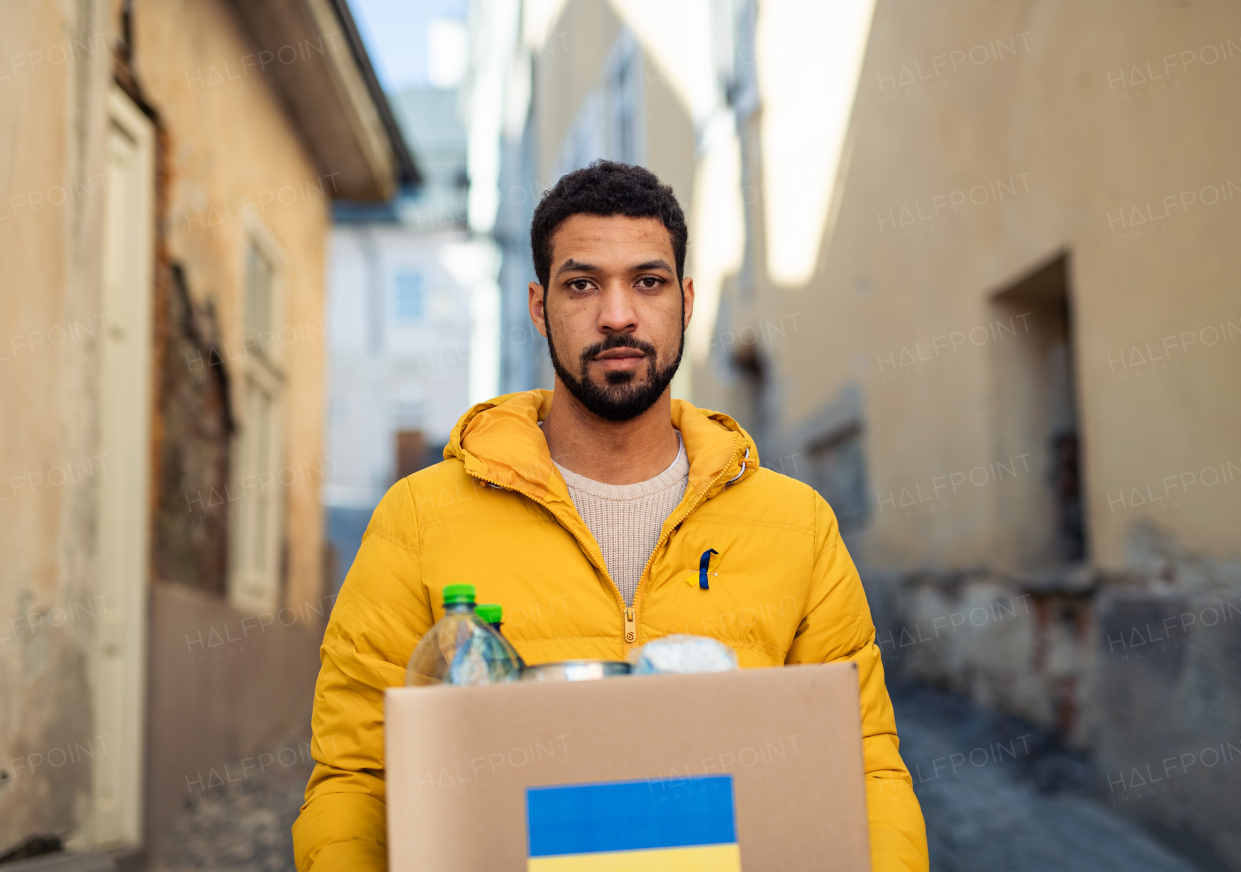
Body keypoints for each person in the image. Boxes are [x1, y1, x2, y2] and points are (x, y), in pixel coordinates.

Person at [292, 160, 928, 871]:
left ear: (686, 301)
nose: (617, 314)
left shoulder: (797, 525)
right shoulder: (419, 518)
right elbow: (359, 776)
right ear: (538, 307)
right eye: (583, 284)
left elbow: (863, 763)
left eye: (648, 282)